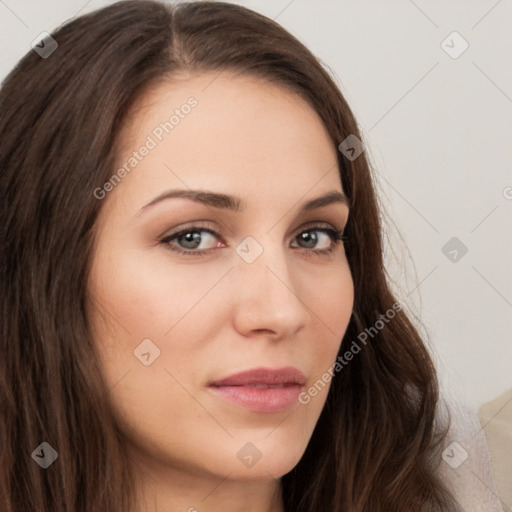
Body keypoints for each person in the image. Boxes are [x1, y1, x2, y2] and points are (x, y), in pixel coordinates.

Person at [0, 1, 503, 511]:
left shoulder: (481, 475)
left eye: (313, 237)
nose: (282, 313)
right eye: (192, 237)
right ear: (41, 271)